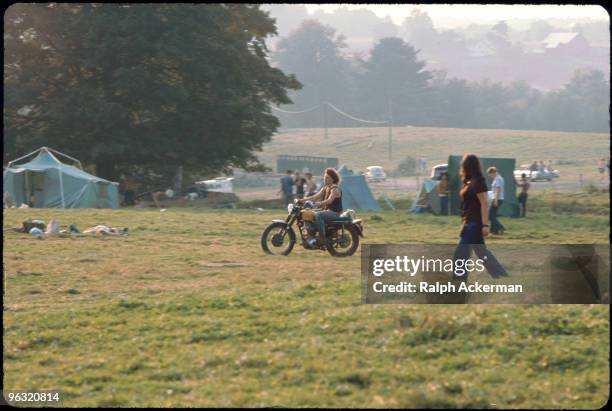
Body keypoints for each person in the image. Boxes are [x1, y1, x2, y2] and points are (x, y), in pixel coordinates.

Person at [452, 154, 507, 279]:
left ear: (467, 166)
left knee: (461, 254)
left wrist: (485, 225)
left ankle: (458, 282)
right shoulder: (470, 182)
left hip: (475, 224)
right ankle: (502, 275)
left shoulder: (478, 181)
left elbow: (484, 203)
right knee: (482, 253)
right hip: (469, 223)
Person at [299, 168, 343, 247]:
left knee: (319, 215)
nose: (325, 179)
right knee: (308, 212)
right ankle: (310, 236)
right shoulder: (326, 188)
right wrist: (302, 200)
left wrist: (316, 204)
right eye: (324, 177)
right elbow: (315, 197)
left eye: (327, 178)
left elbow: (329, 201)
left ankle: (322, 238)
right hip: (327, 211)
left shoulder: (335, 189)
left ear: (333, 179)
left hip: (335, 213)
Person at [487, 166, 505, 235]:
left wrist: (496, 200)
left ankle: (501, 227)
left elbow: (498, 190)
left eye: (490, 174)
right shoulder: (498, 178)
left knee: (490, 215)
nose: (490, 176)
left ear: (493, 172)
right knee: (493, 215)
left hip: (497, 198)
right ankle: (494, 231)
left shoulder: (498, 179)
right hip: (497, 198)